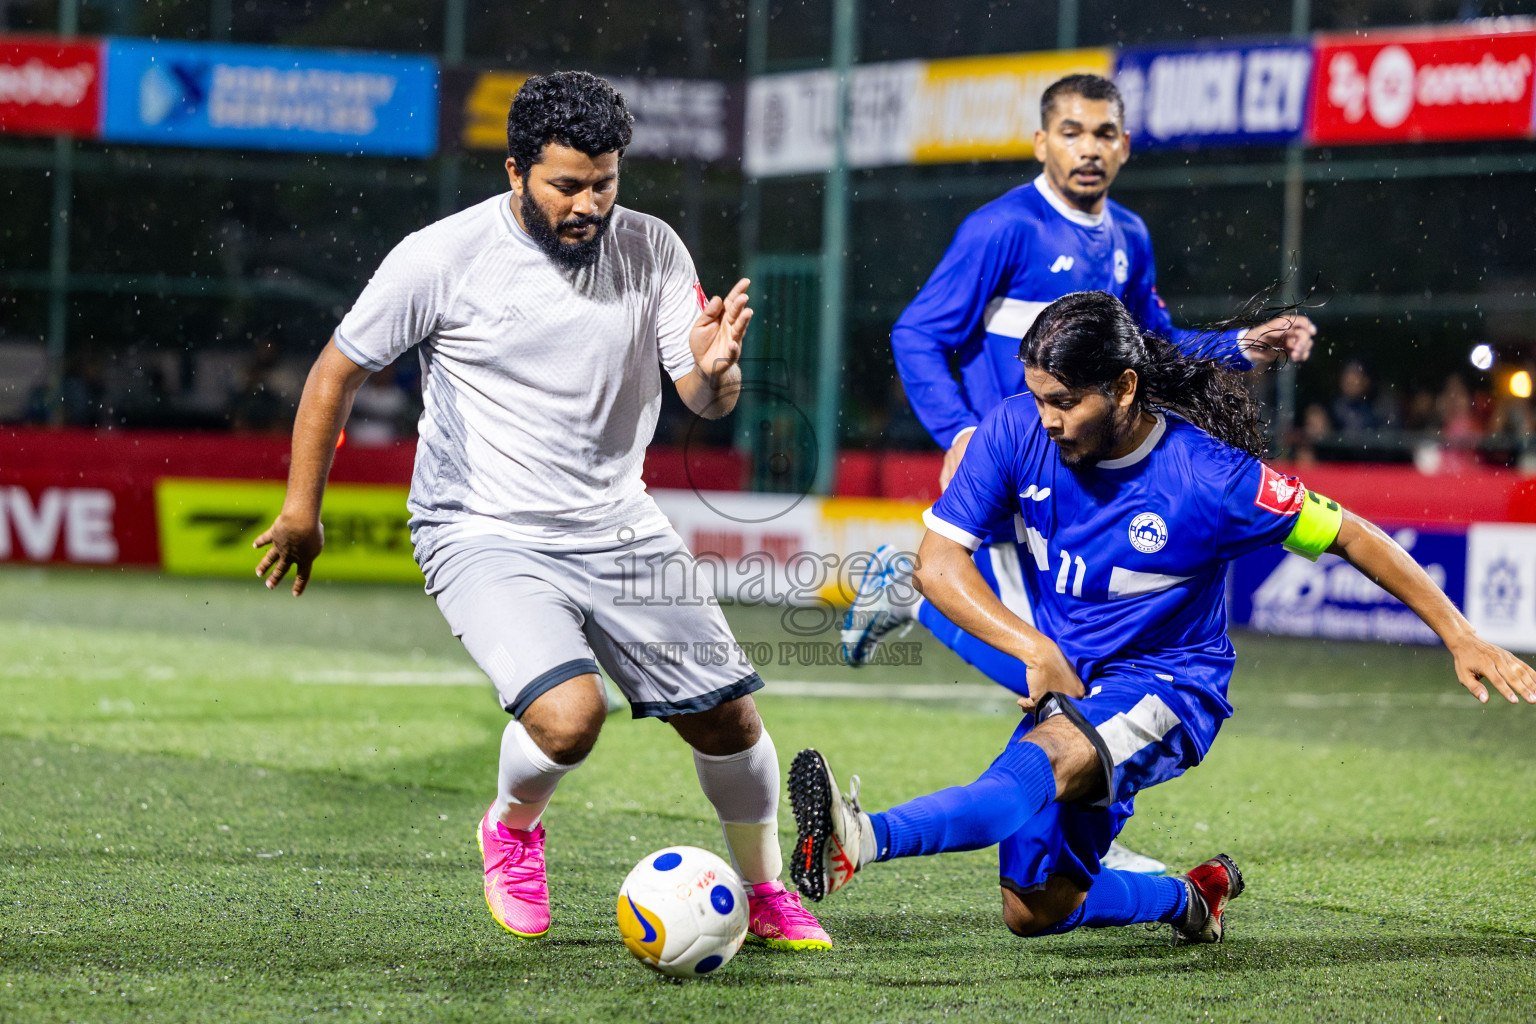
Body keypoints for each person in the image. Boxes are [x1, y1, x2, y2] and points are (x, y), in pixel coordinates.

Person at [252, 72, 830, 950]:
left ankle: (766, 888)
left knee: (728, 718)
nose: (589, 205)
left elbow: (702, 398)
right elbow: (337, 372)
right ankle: (512, 830)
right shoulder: (441, 257)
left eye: (605, 183)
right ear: (516, 170)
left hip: (619, 525)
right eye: (567, 185)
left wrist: (717, 374)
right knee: (569, 718)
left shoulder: (653, 248)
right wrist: (303, 510)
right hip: (479, 529)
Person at [792, 291, 1534, 944]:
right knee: (1036, 908)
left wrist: (1460, 634)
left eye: (1064, 402)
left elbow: (1351, 534)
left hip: (1169, 687)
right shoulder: (1016, 428)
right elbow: (937, 564)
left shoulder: (1212, 479)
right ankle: (1190, 900)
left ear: (1123, 387)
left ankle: (861, 838)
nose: (1047, 420)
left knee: (1035, 768)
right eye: (1038, 397)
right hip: (1076, 676)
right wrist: (1035, 649)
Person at [842, 72, 1316, 874]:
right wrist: (960, 431)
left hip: (1078, 482)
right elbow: (917, 333)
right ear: (1041, 142)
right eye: (1071, 132)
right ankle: (927, 606)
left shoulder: (1128, 235)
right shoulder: (1003, 228)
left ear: (1124, 146)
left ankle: (1083, 803)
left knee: (1076, 655)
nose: (1088, 148)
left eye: (1102, 134)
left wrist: (1238, 348)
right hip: (1016, 473)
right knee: (1059, 658)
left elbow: (1150, 350)